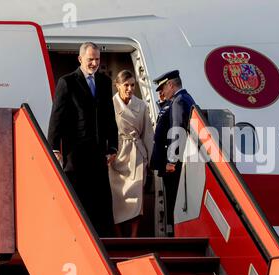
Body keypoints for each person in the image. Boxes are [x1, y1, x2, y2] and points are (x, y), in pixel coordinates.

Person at [47, 42, 118, 237]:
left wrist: (113, 146)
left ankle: (103, 241)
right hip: (75, 154)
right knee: (79, 199)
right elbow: (57, 117)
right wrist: (53, 147)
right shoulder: (67, 82)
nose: (94, 63)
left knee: (101, 201)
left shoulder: (104, 82)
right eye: (90, 59)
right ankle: (77, 237)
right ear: (80, 59)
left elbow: (109, 117)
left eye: (97, 59)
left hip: (98, 153)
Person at [109, 70, 153, 237]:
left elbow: (148, 133)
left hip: (136, 152)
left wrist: (149, 157)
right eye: (126, 85)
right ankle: (119, 236)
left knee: (136, 196)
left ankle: (134, 237)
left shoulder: (142, 105)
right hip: (116, 154)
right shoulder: (109, 104)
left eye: (132, 85)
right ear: (117, 85)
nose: (129, 89)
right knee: (116, 197)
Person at [152, 70, 195, 236]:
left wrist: (171, 161)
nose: (163, 92)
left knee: (172, 199)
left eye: (163, 87)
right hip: (182, 160)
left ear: (171, 84)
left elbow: (177, 132)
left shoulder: (178, 101)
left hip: (174, 163)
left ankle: (172, 234)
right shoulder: (185, 98)